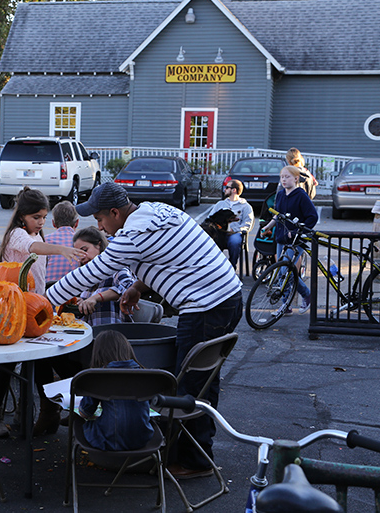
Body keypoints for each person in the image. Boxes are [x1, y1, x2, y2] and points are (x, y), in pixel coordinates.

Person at [46, 182, 242, 479]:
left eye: (99, 219)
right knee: (202, 381)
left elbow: (93, 271)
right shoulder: (154, 211)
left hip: (205, 307)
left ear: (114, 212)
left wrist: (44, 300)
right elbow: (169, 257)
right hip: (225, 297)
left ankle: (194, 462)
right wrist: (138, 286)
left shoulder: (133, 234)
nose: (99, 226)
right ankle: (194, 451)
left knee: (188, 385)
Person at [0, 187, 86, 438]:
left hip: (34, 306)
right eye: (36, 217)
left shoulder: (35, 232)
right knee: (5, 365)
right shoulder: (18, 235)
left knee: (39, 359)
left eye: (44, 217)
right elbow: (34, 247)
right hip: (10, 309)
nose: (41, 222)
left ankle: (38, 409)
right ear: (22, 216)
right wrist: (62, 249)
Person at [78, 330, 154, 451]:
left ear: (98, 352)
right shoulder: (146, 375)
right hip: (142, 438)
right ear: (127, 348)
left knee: (79, 421)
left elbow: (84, 412)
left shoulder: (98, 377)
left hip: (108, 440)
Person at [260, 166, 318, 314]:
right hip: (281, 238)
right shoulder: (279, 195)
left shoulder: (301, 195)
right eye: (282, 177)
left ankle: (304, 295)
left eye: (287, 177)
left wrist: (299, 231)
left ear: (296, 178)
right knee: (282, 271)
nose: (284, 180)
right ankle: (287, 305)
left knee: (286, 271)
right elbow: (278, 215)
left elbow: (313, 217)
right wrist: (267, 227)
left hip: (296, 240)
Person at [72, 226, 135, 326]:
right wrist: (81, 302)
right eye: (78, 254)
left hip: (113, 334)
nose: (82, 257)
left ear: (99, 245)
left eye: (85, 250)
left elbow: (129, 286)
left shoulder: (116, 268)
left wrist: (97, 298)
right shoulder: (85, 275)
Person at [210, 179, 254, 267]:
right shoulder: (220, 204)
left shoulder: (246, 206)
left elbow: (248, 224)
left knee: (234, 241)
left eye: (227, 187)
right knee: (212, 241)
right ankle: (215, 266)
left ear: (234, 190)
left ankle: (231, 266)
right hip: (219, 232)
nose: (225, 190)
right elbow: (210, 218)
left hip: (235, 233)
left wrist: (235, 229)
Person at [44, 201, 81, 282]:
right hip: (75, 289)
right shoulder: (82, 242)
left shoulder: (44, 241)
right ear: (77, 223)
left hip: (48, 288)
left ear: (53, 223)